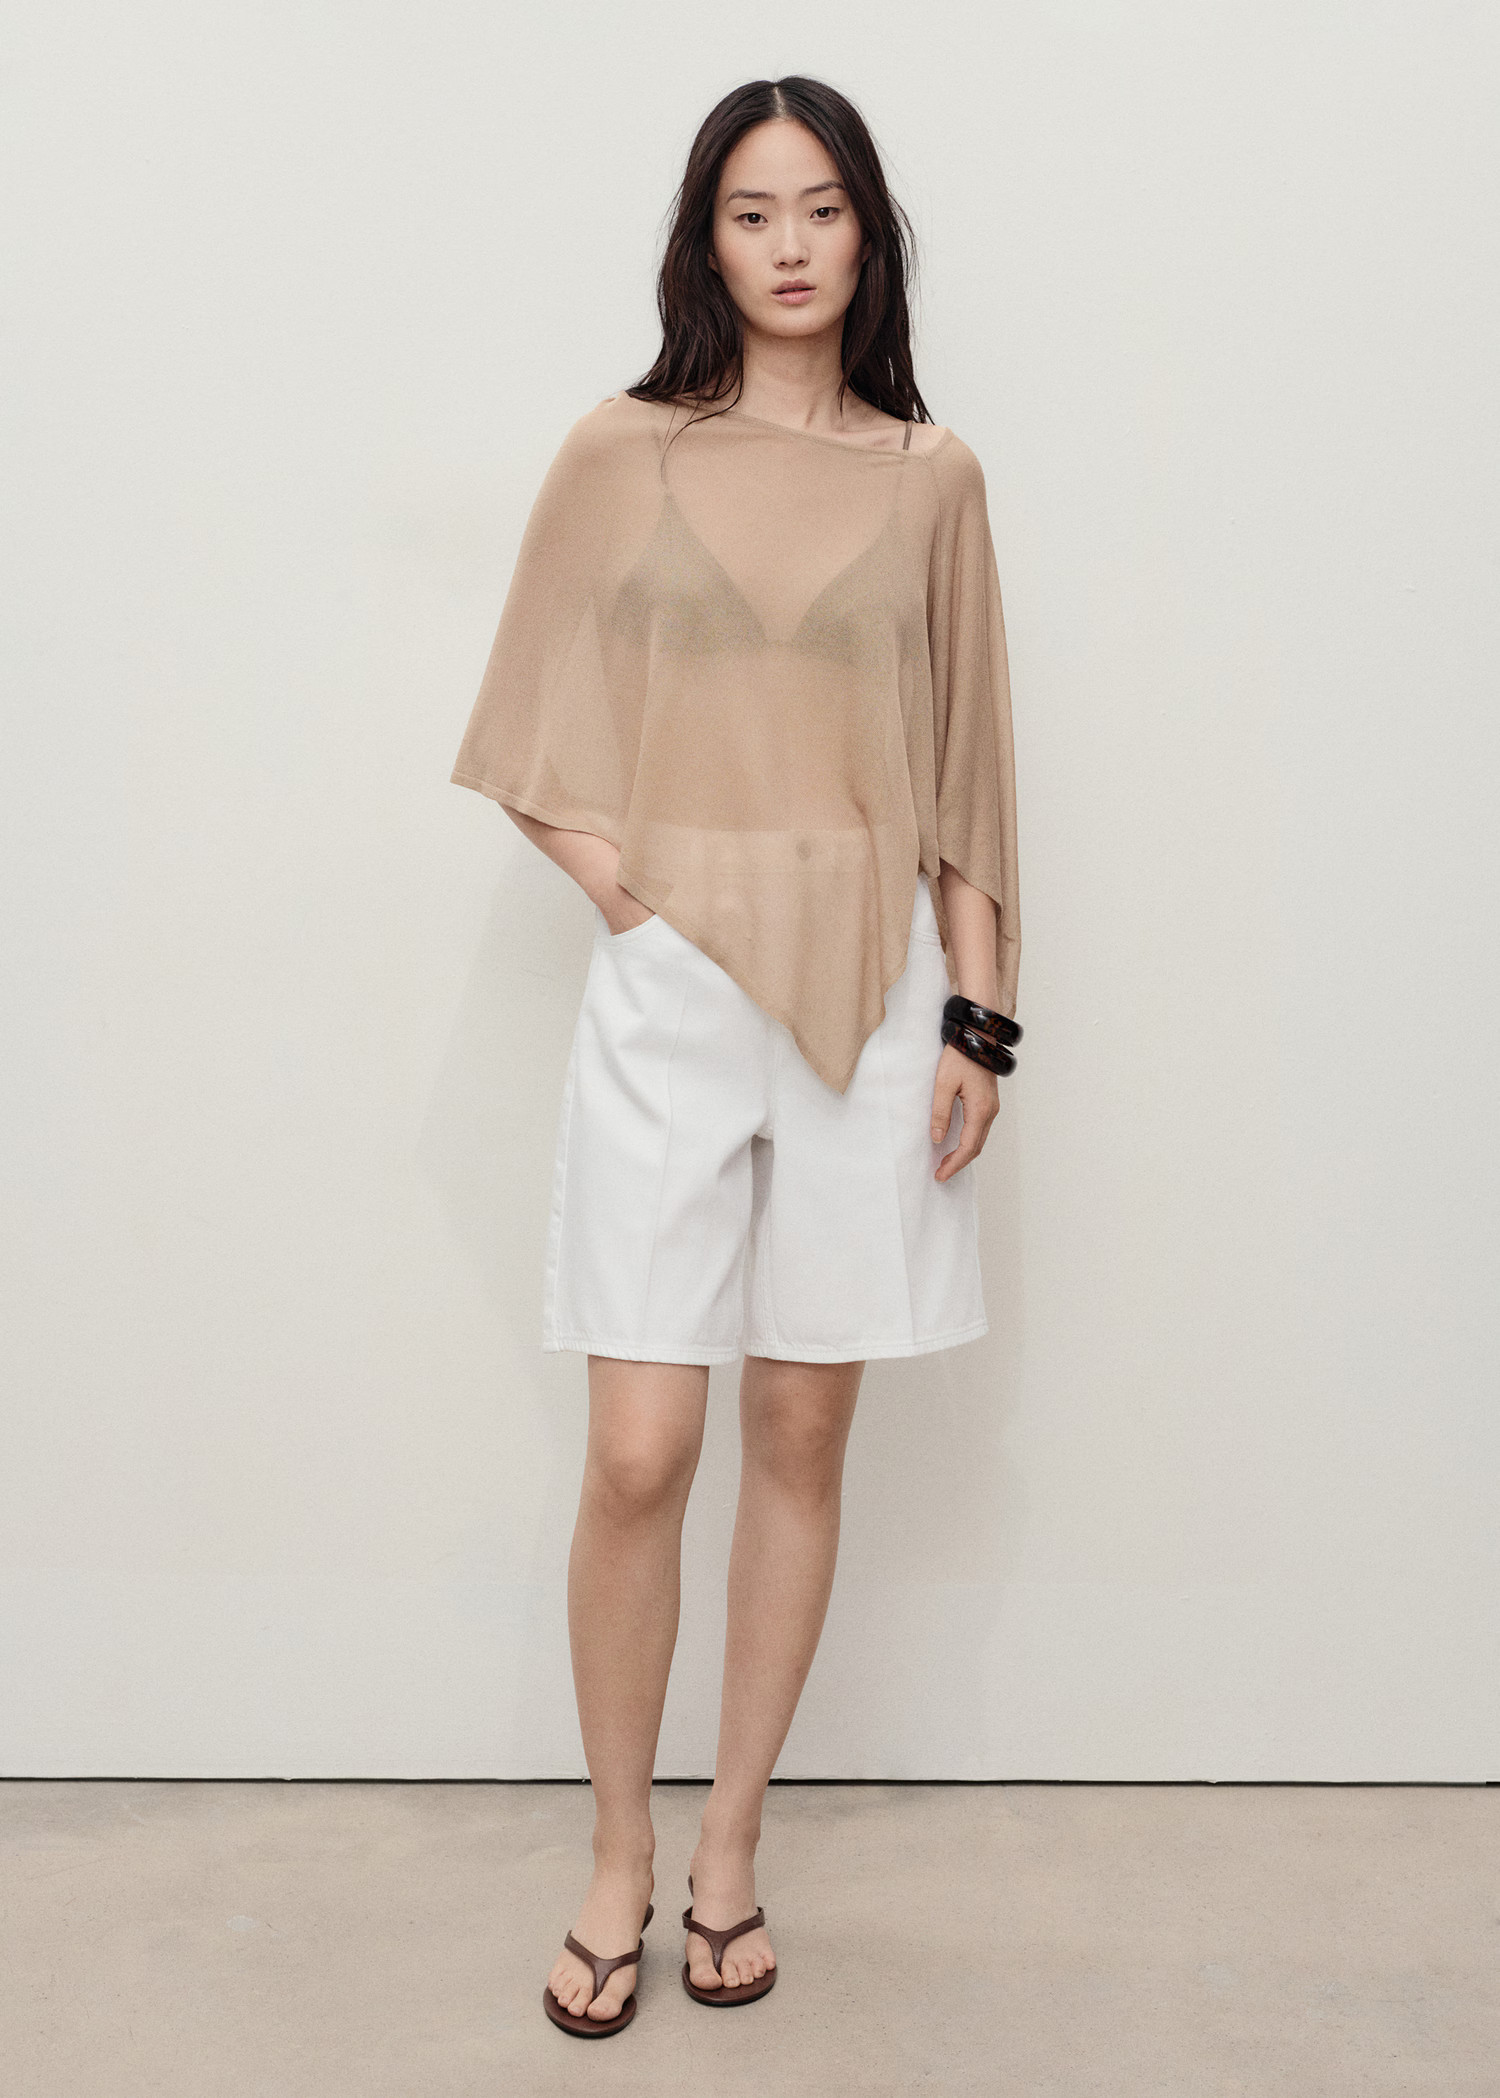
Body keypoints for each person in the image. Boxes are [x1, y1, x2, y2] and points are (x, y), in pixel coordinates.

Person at [449, 73, 1022, 2038]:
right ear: (705, 240)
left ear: (871, 235)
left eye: (824, 208)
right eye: (753, 211)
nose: (791, 244)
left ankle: (728, 1853)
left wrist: (980, 1013)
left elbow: (971, 766)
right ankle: (616, 1854)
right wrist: (640, 902)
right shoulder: (624, 451)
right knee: (640, 1445)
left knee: (799, 1431)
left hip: (873, 996)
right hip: (678, 986)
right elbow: (523, 727)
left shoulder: (933, 476)